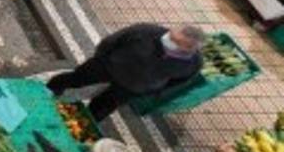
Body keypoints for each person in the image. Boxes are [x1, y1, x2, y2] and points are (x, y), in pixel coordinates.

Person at [48, 24, 205, 120]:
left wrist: (153, 88)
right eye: (171, 36)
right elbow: (110, 42)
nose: (168, 40)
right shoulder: (145, 31)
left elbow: (179, 80)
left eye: (176, 43)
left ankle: (82, 122)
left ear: (188, 49)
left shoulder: (193, 63)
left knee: (104, 105)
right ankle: (51, 88)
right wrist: (100, 58)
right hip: (109, 66)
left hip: (133, 87)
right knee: (77, 78)